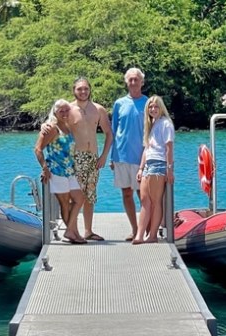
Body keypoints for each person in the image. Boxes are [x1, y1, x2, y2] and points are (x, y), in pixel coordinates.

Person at [42, 77, 113, 241]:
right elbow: (52, 121)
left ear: (90, 90)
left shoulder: (99, 109)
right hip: (74, 158)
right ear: (74, 90)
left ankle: (88, 230)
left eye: (86, 89)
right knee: (74, 197)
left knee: (90, 195)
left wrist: (103, 156)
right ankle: (72, 230)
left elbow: (109, 133)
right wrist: (43, 126)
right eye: (79, 89)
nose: (83, 92)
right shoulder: (68, 108)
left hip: (93, 157)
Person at [34, 99, 86, 244]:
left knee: (79, 198)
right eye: (60, 111)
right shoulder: (51, 128)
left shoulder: (68, 126)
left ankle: (71, 231)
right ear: (55, 112)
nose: (64, 113)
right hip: (56, 170)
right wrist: (44, 168)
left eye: (66, 110)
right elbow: (38, 149)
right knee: (64, 203)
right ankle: (73, 234)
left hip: (70, 170)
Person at [110, 68, 148, 241]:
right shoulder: (119, 103)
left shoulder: (148, 102)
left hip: (141, 156)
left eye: (136, 80)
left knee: (143, 194)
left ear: (142, 82)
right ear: (126, 82)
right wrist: (112, 156)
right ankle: (134, 229)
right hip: (121, 155)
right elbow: (113, 130)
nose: (133, 83)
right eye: (130, 80)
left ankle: (145, 229)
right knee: (126, 193)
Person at [133, 95, 175, 244]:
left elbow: (169, 147)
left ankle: (152, 235)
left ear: (161, 107)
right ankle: (139, 234)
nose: (153, 109)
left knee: (156, 201)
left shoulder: (166, 123)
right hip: (148, 164)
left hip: (159, 164)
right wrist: (140, 168)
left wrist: (169, 169)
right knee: (145, 200)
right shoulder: (152, 124)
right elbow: (146, 148)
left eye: (156, 106)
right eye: (150, 107)